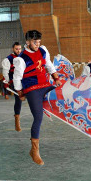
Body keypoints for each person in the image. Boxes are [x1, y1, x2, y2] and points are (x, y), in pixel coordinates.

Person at [13, 30, 61, 165]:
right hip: (32, 88)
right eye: (35, 42)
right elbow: (17, 78)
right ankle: (34, 151)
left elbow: (49, 65)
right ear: (27, 42)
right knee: (38, 117)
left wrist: (55, 78)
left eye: (39, 42)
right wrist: (20, 93)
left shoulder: (43, 50)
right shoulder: (21, 58)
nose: (37, 44)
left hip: (45, 84)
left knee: (62, 91)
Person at [2, 41, 23, 132]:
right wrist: (9, 81)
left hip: (24, 80)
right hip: (14, 82)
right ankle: (17, 121)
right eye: (16, 49)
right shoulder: (8, 59)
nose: (18, 51)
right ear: (13, 49)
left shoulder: (23, 57)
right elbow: (5, 72)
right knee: (18, 99)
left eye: (19, 49)